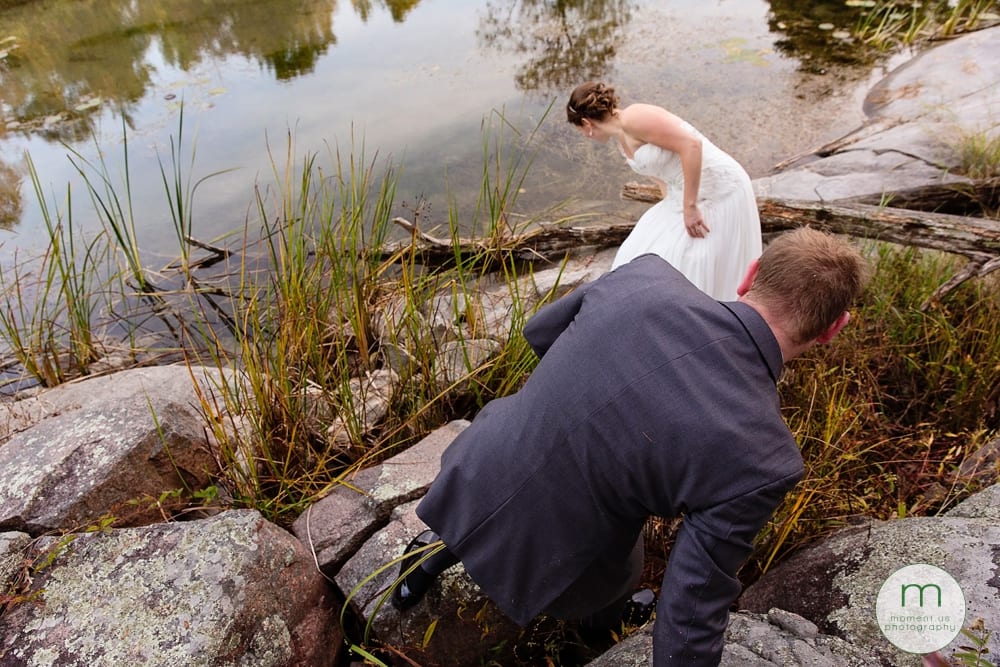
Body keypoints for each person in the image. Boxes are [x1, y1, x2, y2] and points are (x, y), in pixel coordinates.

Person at [393, 227, 870, 666]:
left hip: (477, 464)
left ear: (750, 275)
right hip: (560, 563)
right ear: (833, 328)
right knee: (624, 565)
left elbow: (540, 334)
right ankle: (599, 630)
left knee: (531, 460)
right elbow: (692, 601)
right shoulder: (766, 458)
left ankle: (429, 555)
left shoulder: (644, 276)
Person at [567, 81, 762, 301]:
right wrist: (672, 210)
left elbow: (691, 146)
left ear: (586, 123)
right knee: (640, 251)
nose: (584, 135)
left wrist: (689, 208)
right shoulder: (622, 138)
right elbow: (663, 177)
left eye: (580, 130)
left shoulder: (633, 117)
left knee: (695, 259)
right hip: (681, 195)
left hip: (719, 189)